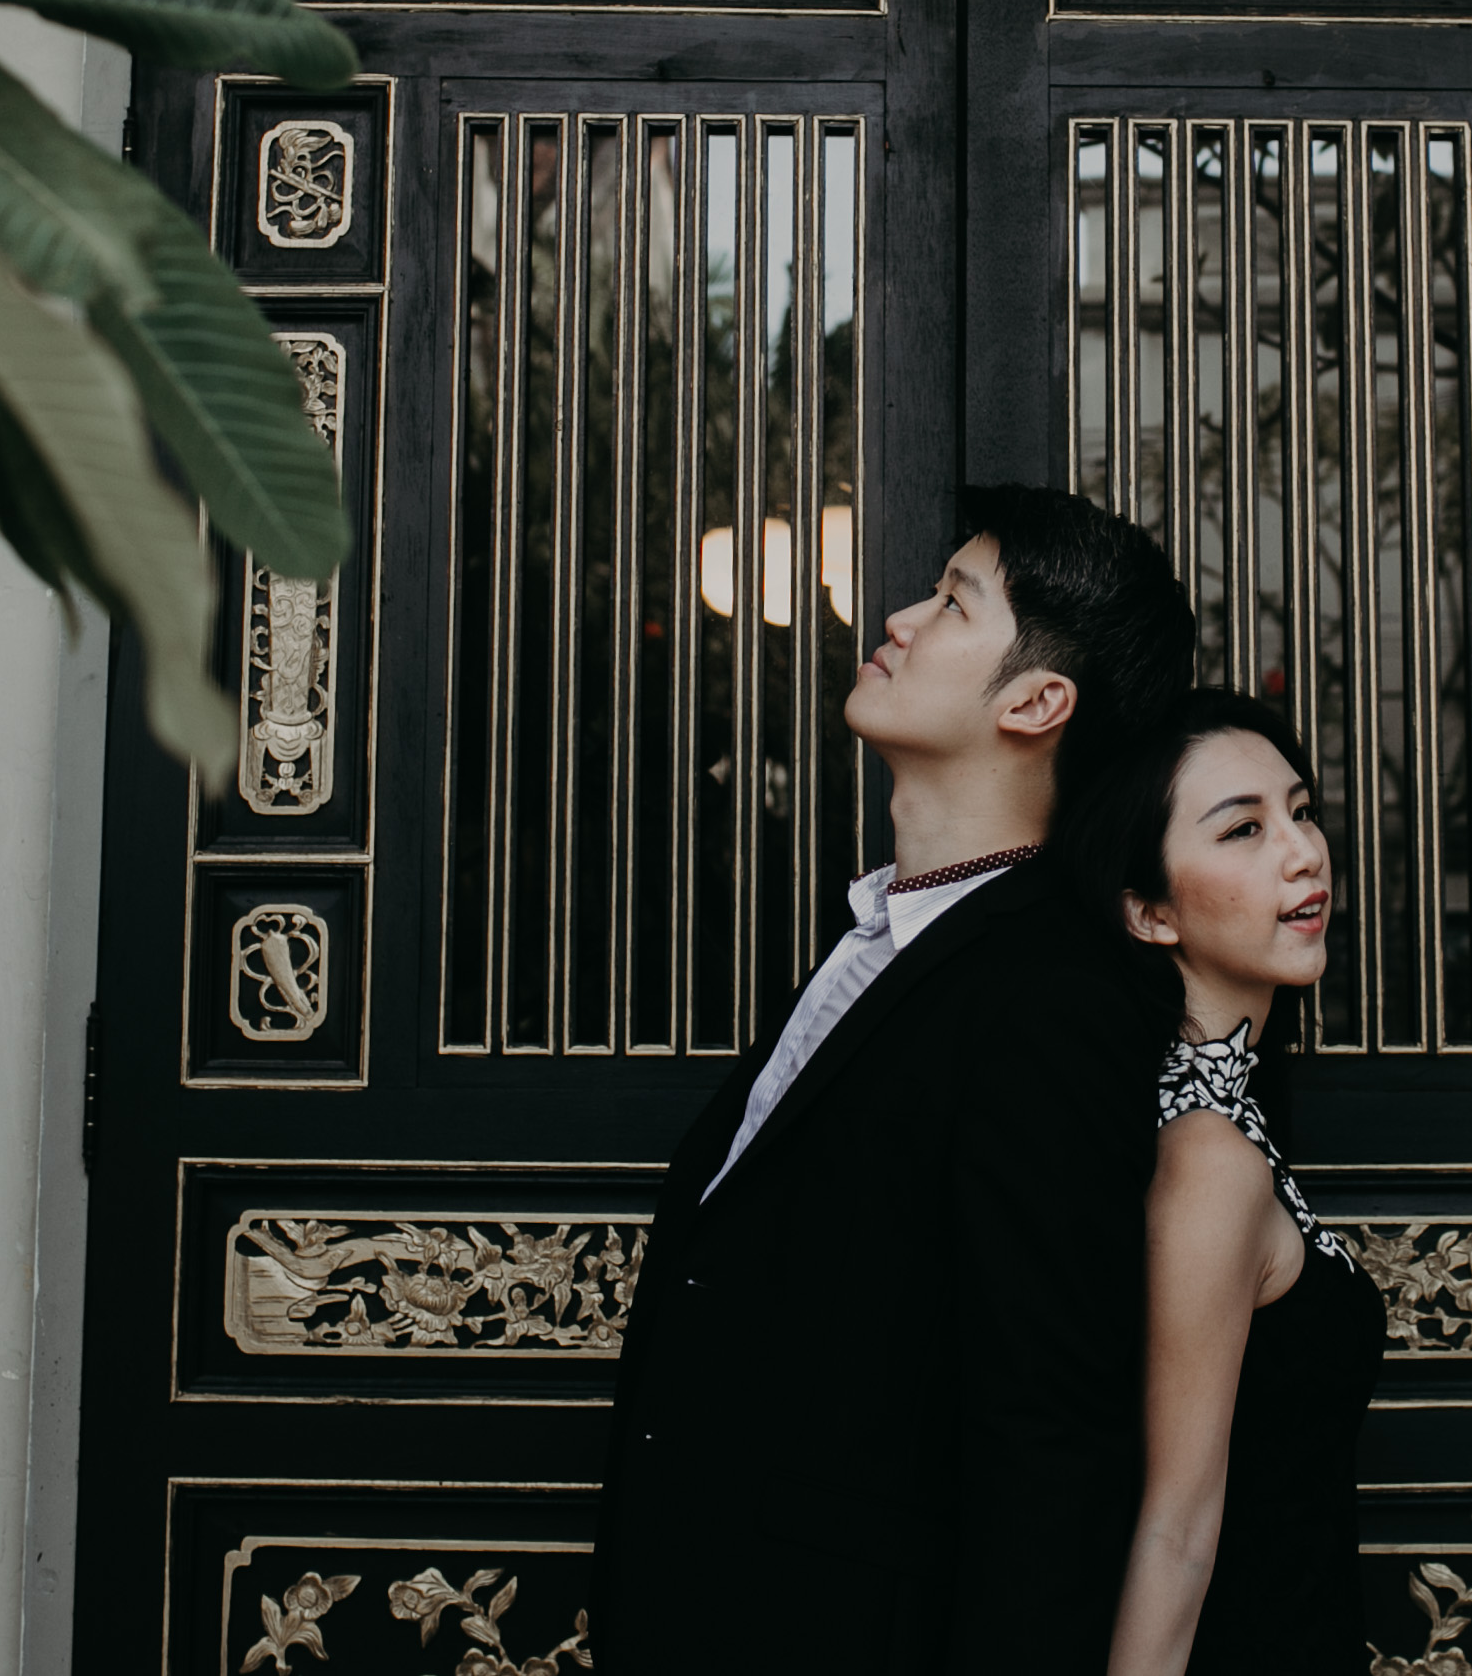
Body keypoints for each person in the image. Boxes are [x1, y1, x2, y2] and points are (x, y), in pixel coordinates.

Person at [592, 486, 1196, 1676]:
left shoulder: (1056, 996)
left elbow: (1048, 1434)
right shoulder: (881, 939)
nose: (899, 617)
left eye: (953, 601)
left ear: (1035, 702)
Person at [1080, 691, 1388, 1676]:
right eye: (1243, 829)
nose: (1304, 853)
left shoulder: (1219, 1113)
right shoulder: (1206, 1153)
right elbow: (1174, 1530)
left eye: (1301, 811)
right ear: (1149, 910)